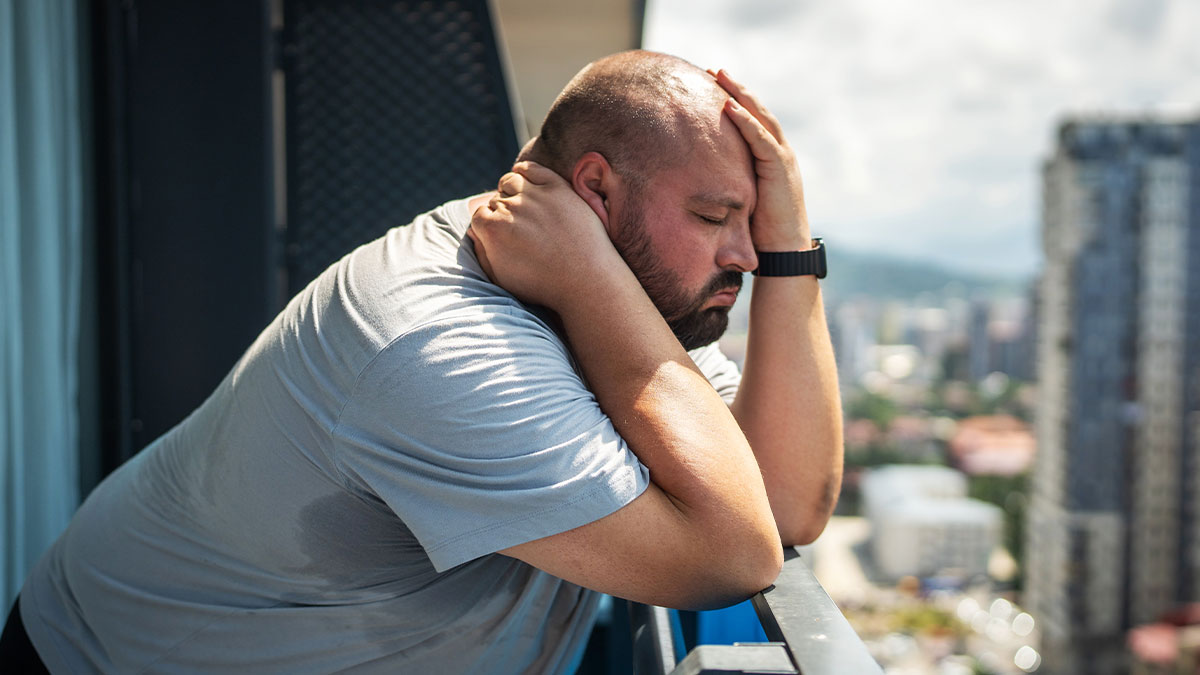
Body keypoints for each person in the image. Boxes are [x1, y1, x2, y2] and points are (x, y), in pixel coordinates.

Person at [4, 50, 842, 673]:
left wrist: (792, 245)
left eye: (756, 226)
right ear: (595, 191)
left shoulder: (618, 309)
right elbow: (735, 556)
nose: (747, 255)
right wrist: (595, 284)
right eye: (714, 216)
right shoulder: (439, 343)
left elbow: (788, 502)